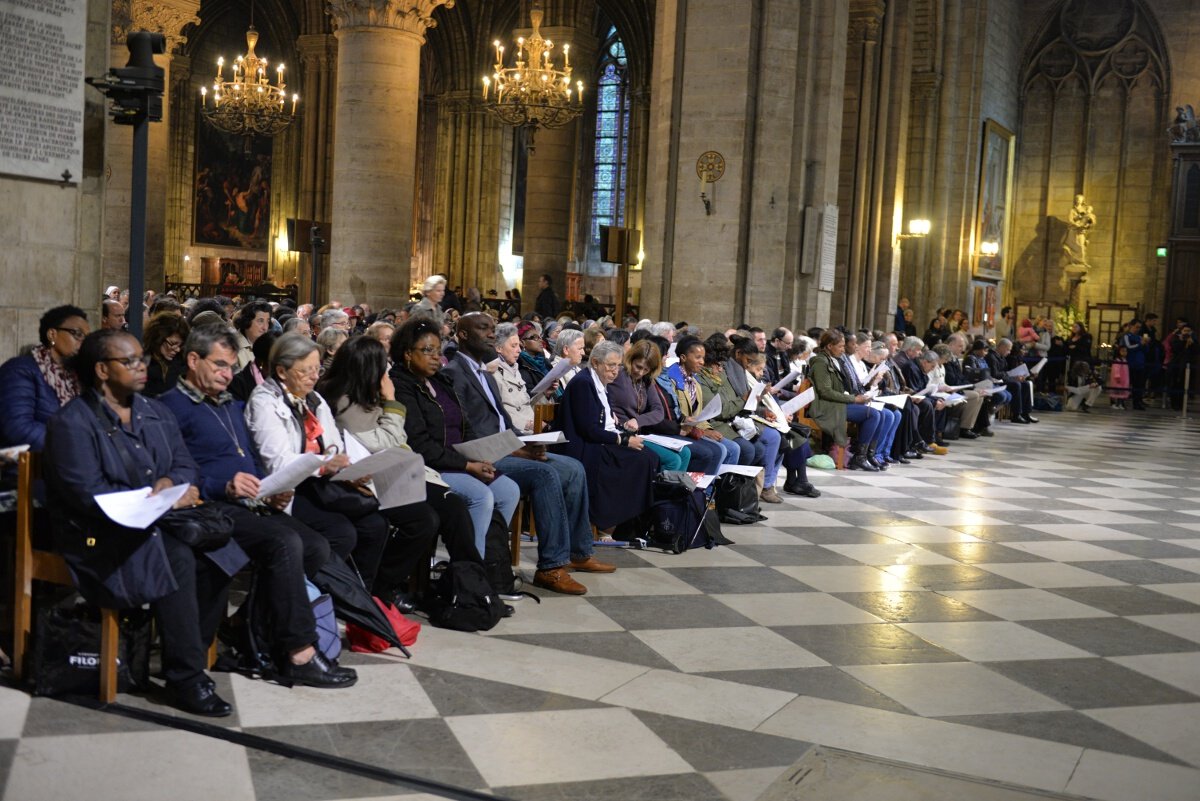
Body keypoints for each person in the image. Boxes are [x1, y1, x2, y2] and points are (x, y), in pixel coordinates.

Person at [45, 330, 247, 716]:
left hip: (152, 521)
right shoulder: (73, 422)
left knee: (218, 547)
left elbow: (185, 462)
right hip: (97, 533)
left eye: (142, 359)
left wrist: (171, 484)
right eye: (130, 361)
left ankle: (188, 649)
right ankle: (185, 676)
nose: (142, 367)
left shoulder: (154, 410)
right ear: (102, 370)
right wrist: (153, 498)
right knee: (178, 555)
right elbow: (87, 493)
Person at [159, 326, 357, 689]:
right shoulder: (171, 406)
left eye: (232, 367)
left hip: (247, 501)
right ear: (192, 360)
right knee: (284, 543)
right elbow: (173, 469)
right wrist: (226, 485)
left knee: (316, 546)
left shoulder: (231, 405)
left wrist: (269, 491)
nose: (226, 374)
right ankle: (298, 651)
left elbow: (248, 458)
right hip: (207, 506)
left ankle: (247, 626)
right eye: (219, 365)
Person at [439, 313, 615, 594]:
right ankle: (551, 567)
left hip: (508, 444)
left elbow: (501, 421)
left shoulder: (483, 372)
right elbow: (467, 430)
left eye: (491, 329)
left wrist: (527, 441)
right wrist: (516, 449)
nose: (489, 335)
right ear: (461, 335)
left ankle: (578, 552)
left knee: (573, 468)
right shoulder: (454, 374)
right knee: (544, 474)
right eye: (483, 329)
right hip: (485, 455)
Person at [316, 335, 479, 602]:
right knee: (424, 521)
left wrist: (388, 409)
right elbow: (385, 442)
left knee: (454, 508)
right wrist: (391, 401)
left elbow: (396, 440)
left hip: (396, 470)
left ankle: (469, 587)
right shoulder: (344, 400)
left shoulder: (369, 393)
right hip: (368, 478)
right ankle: (383, 586)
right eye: (383, 364)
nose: (388, 369)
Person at [245, 334, 391, 592]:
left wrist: (350, 471)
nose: (314, 376)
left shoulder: (313, 399)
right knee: (341, 532)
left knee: (375, 524)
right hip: (286, 489)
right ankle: (304, 594)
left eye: (317, 368)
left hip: (319, 483)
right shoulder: (265, 402)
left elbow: (334, 445)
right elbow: (278, 462)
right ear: (281, 371)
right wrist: (324, 464)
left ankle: (358, 596)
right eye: (306, 370)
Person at [389, 319, 520, 561]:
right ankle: (470, 572)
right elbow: (420, 444)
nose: (435, 357)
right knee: (480, 496)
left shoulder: (440, 380)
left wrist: (479, 454)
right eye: (427, 351)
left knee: (509, 490)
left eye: (438, 351)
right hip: (431, 466)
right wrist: (468, 465)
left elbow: (465, 424)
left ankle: (492, 564)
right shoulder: (400, 385)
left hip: (461, 458)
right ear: (407, 353)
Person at [556, 341, 659, 533]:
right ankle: (607, 524)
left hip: (602, 439)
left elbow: (605, 420)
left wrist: (622, 431)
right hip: (585, 447)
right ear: (595, 362)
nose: (616, 371)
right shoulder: (583, 383)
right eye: (611, 365)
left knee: (651, 457)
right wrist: (624, 440)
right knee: (641, 461)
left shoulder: (600, 382)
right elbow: (589, 429)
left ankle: (625, 524)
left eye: (618, 366)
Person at [0, 305, 89, 450]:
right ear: (52, 334)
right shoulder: (20, 371)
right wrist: (74, 445)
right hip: (31, 466)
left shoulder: (75, 376)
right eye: (77, 334)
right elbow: (18, 428)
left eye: (86, 337)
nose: (83, 342)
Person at [607, 339, 692, 472]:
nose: (640, 372)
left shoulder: (646, 380)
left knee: (685, 453)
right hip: (621, 432)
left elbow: (658, 411)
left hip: (639, 432)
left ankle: (675, 491)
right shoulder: (618, 375)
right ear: (631, 360)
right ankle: (657, 491)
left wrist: (638, 420)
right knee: (672, 460)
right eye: (638, 366)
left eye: (646, 369)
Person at [808, 329, 884, 471]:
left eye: (844, 346)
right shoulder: (820, 362)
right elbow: (825, 391)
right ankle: (859, 457)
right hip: (826, 406)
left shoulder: (834, 360)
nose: (843, 350)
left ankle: (866, 455)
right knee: (872, 414)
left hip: (837, 402)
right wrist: (853, 399)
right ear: (830, 346)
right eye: (840, 346)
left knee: (879, 413)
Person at [493, 322, 538, 433]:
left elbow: (526, 405)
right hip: (515, 434)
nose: (519, 350)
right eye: (513, 346)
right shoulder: (493, 374)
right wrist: (528, 424)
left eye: (519, 345)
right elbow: (500, 412)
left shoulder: (514, 368)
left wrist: (545, 394)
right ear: (498, 348)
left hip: (532, 430)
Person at [142, 312, 190, 397]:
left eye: (180, 345)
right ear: (157, 337)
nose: (177, 349)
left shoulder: (183, 362)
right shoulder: (142, 362)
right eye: (172, 343)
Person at [233, 301, 272, 371]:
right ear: (247, 321)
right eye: (260, 321)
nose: (265, 327)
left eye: (268, 321)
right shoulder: (232, 346)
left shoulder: (269, 344)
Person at [1109, 343, 1131, 409]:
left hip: (1124, 379)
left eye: (1126, 351)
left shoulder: (1125, 360)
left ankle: (1120, 404)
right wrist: (1117, 376)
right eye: (1123, 351)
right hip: (1118, 379)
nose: (1125, 352)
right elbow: (1116, 369)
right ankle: (1113, 403)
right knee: (1115, 391)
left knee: (1122, 392)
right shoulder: (1117, 360)